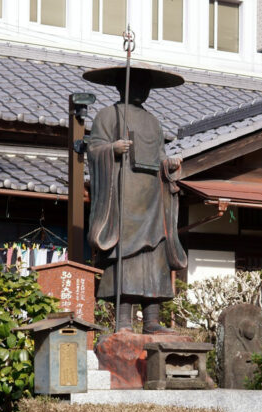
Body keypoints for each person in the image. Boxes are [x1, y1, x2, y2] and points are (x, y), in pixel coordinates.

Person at [83, 66, 186, 332]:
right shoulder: (108, 116)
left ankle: (152, 320)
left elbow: (160, 156)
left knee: (155, 256)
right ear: (121, 86)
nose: (142, 91)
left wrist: (169, 164)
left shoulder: (153, 121)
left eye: (146, 86)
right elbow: (94, 150)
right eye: (137, 85)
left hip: (151, 198)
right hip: (123, 198)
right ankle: (124, 322)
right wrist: (112, 149)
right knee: (124, 257)